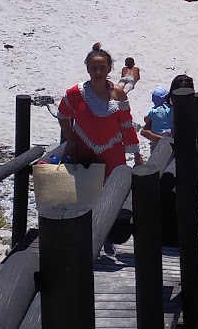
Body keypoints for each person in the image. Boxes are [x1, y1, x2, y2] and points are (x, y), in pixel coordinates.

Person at [57, 46, 143, 209]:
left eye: (102, 67)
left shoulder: (119, 94)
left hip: (113, 152)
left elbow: (126, 125)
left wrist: (137, 155)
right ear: (88, 69)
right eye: (94, 68)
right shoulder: (75, 93)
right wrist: (70, 140)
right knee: (86, 196)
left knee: (115, 195)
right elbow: (63, 115)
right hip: (84, 150)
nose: (98, 72)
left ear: (109, 69)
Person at [141, 86, 175, 174]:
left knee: (155, 153)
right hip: (169, 134)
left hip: (156, 136)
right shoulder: (171, 109)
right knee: (170, 157)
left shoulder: (153, 111)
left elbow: (146, 119)